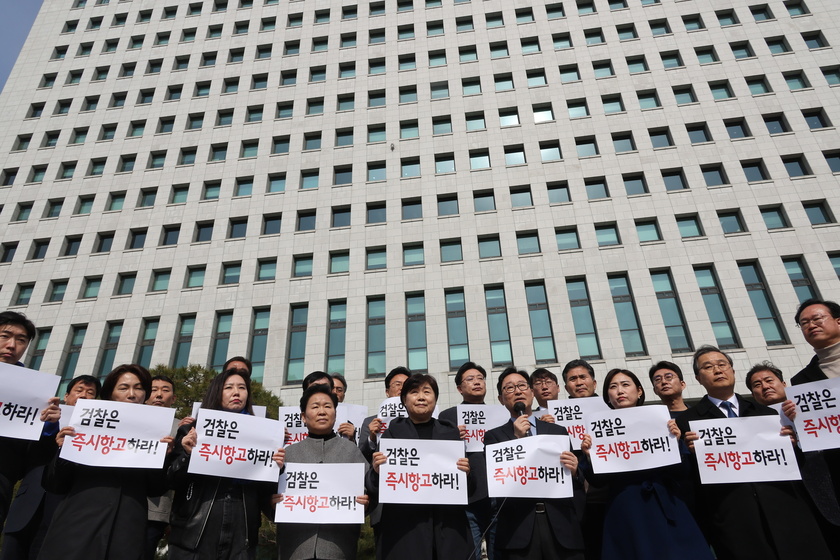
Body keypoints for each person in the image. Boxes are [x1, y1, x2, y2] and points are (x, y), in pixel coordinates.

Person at [677, 345, 832, 560]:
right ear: (698, 377)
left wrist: (792, 445)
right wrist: (690, 452)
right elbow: (686, 478)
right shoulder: (687, 421)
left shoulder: (767, 413)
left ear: (732, 371)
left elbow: (794, 465)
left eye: (722, 365)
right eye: (708, 367)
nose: (718, 370)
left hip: (785, 510)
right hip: (733, 516)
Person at [37, 365, 168, 560]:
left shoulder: (154, 435)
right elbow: (54, 483)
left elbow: (156, 489)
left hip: (126, 532)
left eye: (139, 388)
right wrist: (63, 449)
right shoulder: (80, 427)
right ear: (110, 394)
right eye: (123, 388)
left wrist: (161, 455)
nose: (132, 394)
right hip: (76, 528)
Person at [580, 369, 712, 560]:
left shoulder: (662, 421)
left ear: (639, 391)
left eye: (625, 385)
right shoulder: (597, 430)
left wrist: (675, 441)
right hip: (625, 508)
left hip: (666, 504)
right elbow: (596, 481)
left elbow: (684, 471)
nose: (620, 391)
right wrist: (590, 456)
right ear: (607, 397)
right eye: (613, 387)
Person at [166, 368, 284, 560]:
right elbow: (171, 480)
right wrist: (187, 455)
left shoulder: (264, 437)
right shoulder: (191, 430)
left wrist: (277, 468)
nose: (236, 392)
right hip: (193, 535)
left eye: (242, 388)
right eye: (228, 387)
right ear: (216, 392)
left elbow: (265, 495)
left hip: (241, 537)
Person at [483, 368, 584, 560]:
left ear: (531, 392)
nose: (518, 391)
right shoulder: (493, 437)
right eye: (509, 388)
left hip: (561, 526)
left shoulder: (558, 431)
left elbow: (576, 483)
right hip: (518, 530)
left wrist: (575, 470)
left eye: (522, 386)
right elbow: (496, 482)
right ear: (501, 399)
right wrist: (517, 439)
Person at [370, 373, 472, 560]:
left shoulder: (449, 432)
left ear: (435, 398)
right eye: (414, 392)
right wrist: (377, 471)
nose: (421, 397)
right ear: (404, 400)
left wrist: (466, 472)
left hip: (447, 526)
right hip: (404, 528)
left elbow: (467, 487)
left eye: (427, 391)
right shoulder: (393, 433)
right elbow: (373, 485)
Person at [2, 375, 100, 560]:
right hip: (27, 507)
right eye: (79, 391)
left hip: (65, 513)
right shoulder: (43, 419)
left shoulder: (98, 435)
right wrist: (51, 427)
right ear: (66, 396)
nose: (84, 396)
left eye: (91, 393)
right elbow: (26, 457)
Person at [276, 384, 369, 560]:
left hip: (339, 546)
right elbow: (269, 495)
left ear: (335, 413)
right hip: (295, 546)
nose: (322, 411)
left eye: (327, 406)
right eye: (315, 406)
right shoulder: (288, 453)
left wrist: (366, 502)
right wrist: (272, 503)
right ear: (303, 417)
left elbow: (370, 489)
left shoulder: (351, 450)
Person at [439, 361, 496, 560]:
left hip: (498, 493)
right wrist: (451, 436)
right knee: (471, 553)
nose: (477, 382)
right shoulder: (447, 417)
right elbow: (438, 455)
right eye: (470, 379)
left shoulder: (500, 414)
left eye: (480, 378)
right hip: (467, 497)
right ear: (459, 388)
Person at [0, 311, 42, 532]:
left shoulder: (32, 391)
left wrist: (49, 423)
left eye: (21, 340)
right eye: (5, 336)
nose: (11, 345)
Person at [144, 374, 182, 560]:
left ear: (173, 398)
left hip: (155, 511)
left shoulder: (181, 429)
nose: (159, 395)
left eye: (165, 390)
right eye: (153, 390)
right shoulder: (128, 420)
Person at [359, 366, 411, 463]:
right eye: (397, 384)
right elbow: (361, 456)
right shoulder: (370, 422)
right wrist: (372, 438)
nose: (402, 388)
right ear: (387, 392)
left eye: (407, 385)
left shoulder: (420, 418)